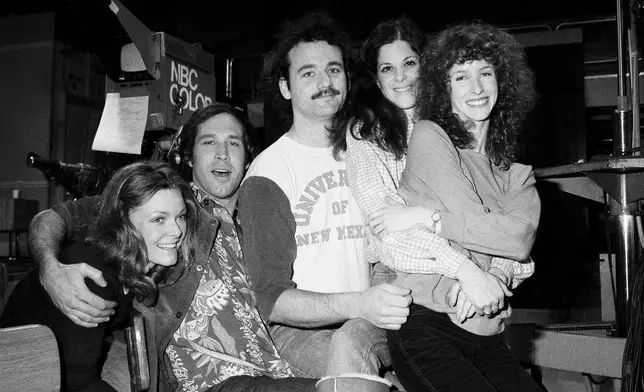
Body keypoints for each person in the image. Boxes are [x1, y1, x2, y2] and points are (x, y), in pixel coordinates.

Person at [27, 103, 320, 392]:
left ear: (247, 157)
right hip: (210, 379)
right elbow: (53, 218)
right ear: (189, 157)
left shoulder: (259, 218)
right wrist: (49, 268)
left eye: (233, 143)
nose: (222, 154)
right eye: (209, 142)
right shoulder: (165, 199)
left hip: (274, 364)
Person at [362, 21, 542, 391]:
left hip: (488, 333)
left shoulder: (518, 175)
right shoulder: (429, 137)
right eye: (461, 77)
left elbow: (521, 242)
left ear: (502, 82)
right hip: (428, 327)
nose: (476, 89)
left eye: (485, 73)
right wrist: (477, 272)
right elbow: (480, 224)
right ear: (443, 88)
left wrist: (429, 219)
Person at [237, 12, 409, 391]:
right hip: (301, 333)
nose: (325, 82)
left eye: (333, 70)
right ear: (285, 87)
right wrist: (358, 304)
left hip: (377, 320)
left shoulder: (371, 151)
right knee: (357, 368)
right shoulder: (270, 173)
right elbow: (271, 300)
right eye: (308, 73)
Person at [0, 160, 199, 392]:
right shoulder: (92, 276)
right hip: (20, 371)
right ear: (124, 222)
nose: (176, 231)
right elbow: (78, 384)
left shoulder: (137, 263)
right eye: (158, 219)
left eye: (181, 217)